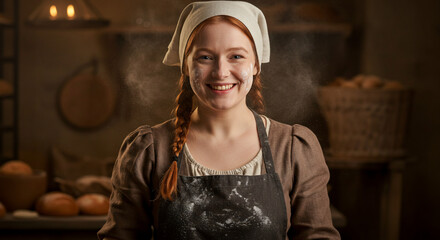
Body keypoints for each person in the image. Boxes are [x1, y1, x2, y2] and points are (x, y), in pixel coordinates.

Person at [98, 1, 340, 239]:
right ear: (185, 66)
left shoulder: (293, 148)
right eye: (205, 57)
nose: (221, 72)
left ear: (255, 64)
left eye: (236, 56)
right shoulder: (149, 150)